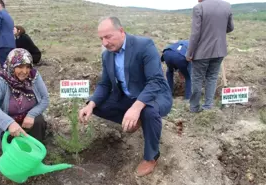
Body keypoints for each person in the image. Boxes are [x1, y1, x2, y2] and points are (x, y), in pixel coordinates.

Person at [78, 17, 172, 177]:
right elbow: (105, 84)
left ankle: (151, 157)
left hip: (155, 95)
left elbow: (155, 81)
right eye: (101, 38)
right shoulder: (107, 55)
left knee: (148, 111)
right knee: (97, 106)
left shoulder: (144, 46)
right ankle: (137, 120)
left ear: (121, 31)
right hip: (127, 96)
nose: (105, 43)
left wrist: (136, 107)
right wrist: (91, 104)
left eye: (108, 36)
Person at [0, 48, 49, 148]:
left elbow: (45, 99)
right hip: (6, 119)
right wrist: (9, 123)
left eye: (28, 67)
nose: (25, 71)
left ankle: (34, 151)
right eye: (20, 67)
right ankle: (7, 154)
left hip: (27, 120)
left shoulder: (33, 76)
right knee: (10, 145)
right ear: (11, 65)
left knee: (38, 121)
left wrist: (31, 114)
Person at [185, 0, 234, 113]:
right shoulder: (227, 6)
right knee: (212, 78)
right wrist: (218, 31)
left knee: (197, 79)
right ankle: (208, 106)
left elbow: (195, 33)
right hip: (219, 50)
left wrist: (189, 53)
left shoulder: (199, 8)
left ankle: (194, 108)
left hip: (202, 52)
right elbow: (230, 27)